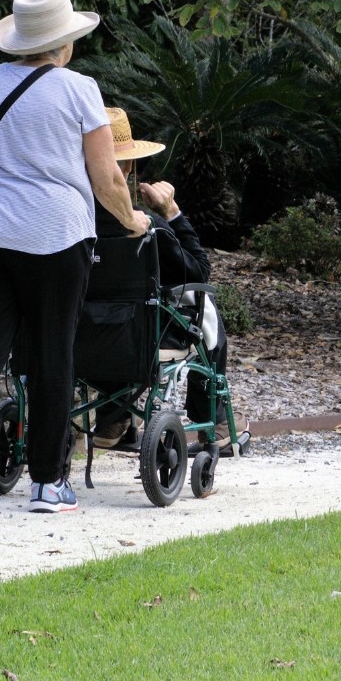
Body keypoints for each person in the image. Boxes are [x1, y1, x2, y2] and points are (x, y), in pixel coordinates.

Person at [0, 0, 147, 523]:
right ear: (64, 43)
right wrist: (133, 219)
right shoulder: (80, 89)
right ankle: (49, 484)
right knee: (54, 353)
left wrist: (5, 193)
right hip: (53, 238)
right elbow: (104, 175)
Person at [88, 108, 237, 449]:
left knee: (106, 310)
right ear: (127, 167)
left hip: (78, 335)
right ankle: (214, 422)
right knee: (203, 310)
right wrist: (173, 212)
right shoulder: (145, 227)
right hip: (141, 337)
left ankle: (113, 420)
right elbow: (198, 271)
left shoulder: (62, 222)